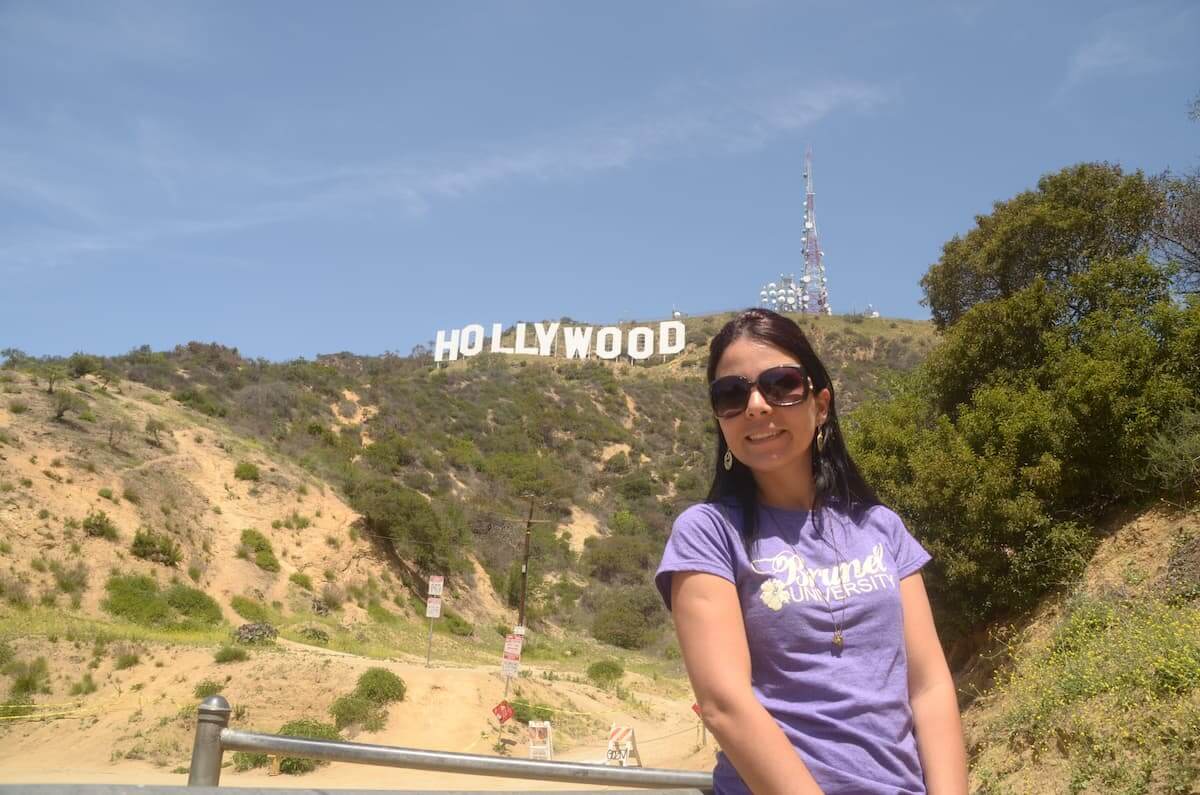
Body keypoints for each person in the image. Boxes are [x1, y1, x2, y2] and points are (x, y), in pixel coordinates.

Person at [655, 308, 967, 795]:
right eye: (732, 394)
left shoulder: (882, 529)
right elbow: (724, 704)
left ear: (821, 406)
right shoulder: (709, 533)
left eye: (781, 385)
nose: (757, 406)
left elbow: (929, 688)